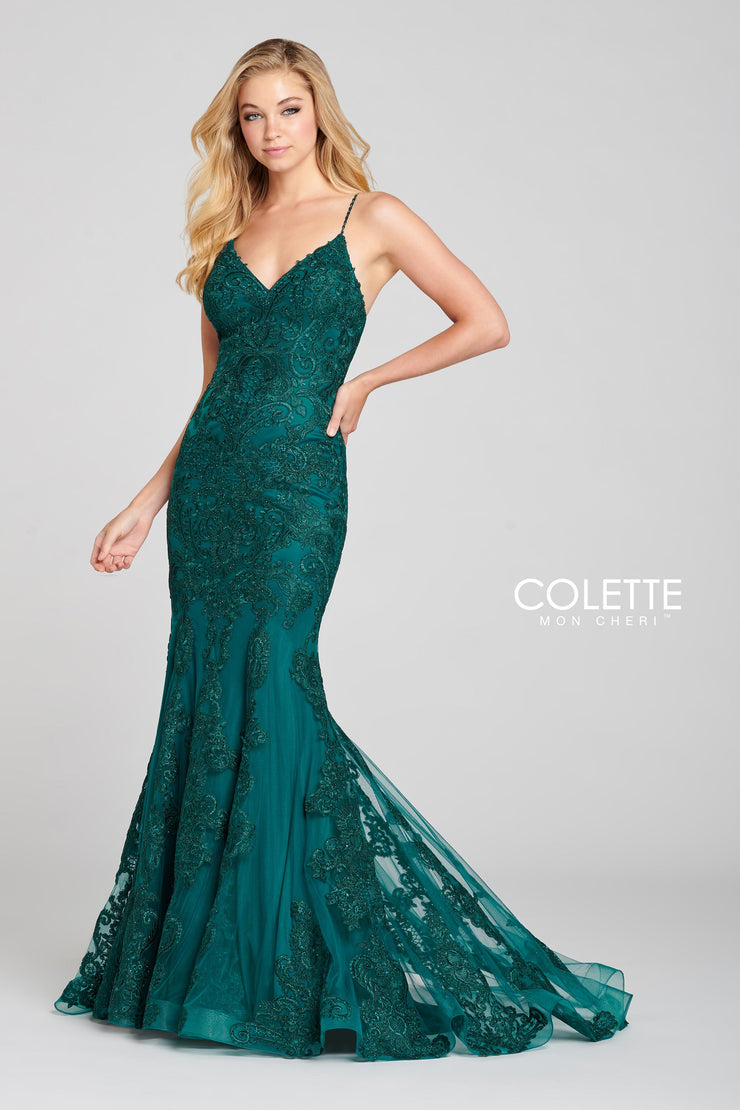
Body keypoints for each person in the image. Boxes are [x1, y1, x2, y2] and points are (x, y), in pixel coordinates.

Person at [53, 37, 632, 1061]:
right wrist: (145, 504)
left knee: (276, 688)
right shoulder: (229, 233)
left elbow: (486, 322)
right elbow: (213, 394)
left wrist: (367, 382)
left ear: (317, 111)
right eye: (251, 115)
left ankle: (286, 974)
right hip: (212, 493)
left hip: (297, 493)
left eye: (287, 108)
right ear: (235, 128)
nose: (270, 130)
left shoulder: (375, 217)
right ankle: (208, 970)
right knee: (209, 696)